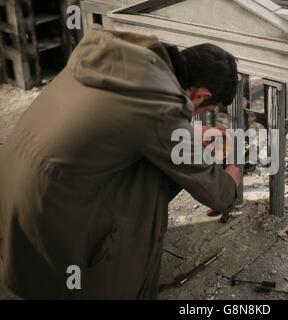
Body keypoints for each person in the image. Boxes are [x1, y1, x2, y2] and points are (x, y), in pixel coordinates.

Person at [0, 25, 241, 299]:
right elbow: (218, 194)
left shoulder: (116, 65)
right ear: (200, 95)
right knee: (156, 184)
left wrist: (188, 133)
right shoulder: (160, 105)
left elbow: (118, 125)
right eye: (203, 110)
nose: (197, 116)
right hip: (50, 216)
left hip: (15, 194)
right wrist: (234, 167)